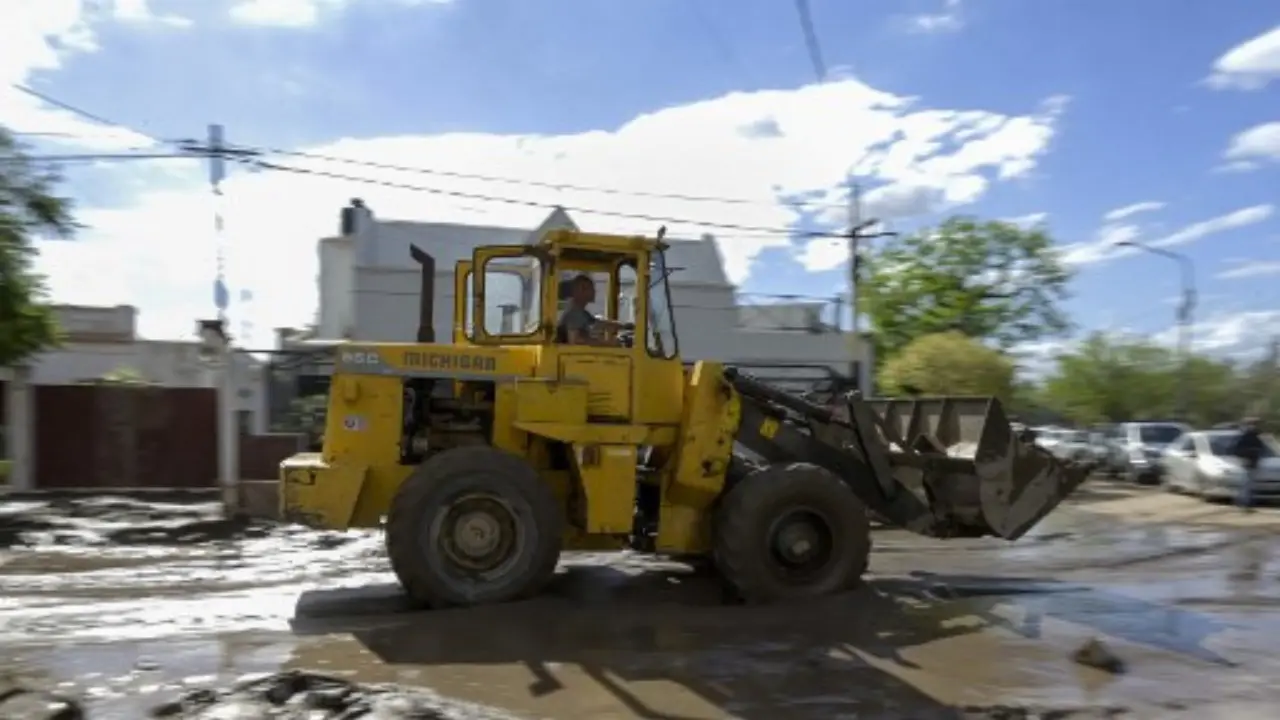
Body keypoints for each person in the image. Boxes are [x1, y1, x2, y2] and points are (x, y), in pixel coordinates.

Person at [555, 274, 630, 346]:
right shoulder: (574, 313)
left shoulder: (582, 312)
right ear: (581, 289)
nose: (594, 291)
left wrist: (623, 326)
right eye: (591, 288)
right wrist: (607, 344)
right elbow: (576, 340)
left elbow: (596, 323)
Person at [1231, 417, 1265, 512]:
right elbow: (1237, 450)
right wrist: (1248, 455)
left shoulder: (1255, 435)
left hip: (1252, 462)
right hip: (1247, 462)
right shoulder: (1245, 435)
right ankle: (1244, 504)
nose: (1254, 426)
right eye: (1253, 424)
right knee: (1246, 484)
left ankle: (1245, 503)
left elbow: (1260, 448)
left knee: (1248, 484)